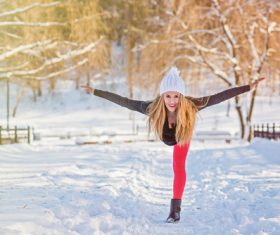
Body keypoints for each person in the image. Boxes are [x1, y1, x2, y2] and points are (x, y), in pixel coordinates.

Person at [81, 67, 265, 223]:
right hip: (166, 136)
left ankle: (175, 210)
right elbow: (124, 102)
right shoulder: (152, 107)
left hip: (181, 136)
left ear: (181, 95)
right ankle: (174, 209)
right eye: (168, 96)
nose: (172, 101)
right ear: (162, 96)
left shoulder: (192, 105)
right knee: (174, 161)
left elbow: (221, 96)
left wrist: (249, 87)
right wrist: (95, 91)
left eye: (176, 96)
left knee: (178, 167)